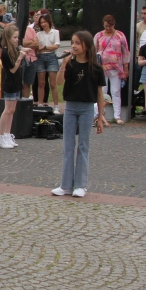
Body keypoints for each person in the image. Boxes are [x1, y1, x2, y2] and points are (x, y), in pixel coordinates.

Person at [52, 31, 105, 198]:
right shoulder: (71, 65)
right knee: (68, 145)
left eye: (77, 43)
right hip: (70, 107)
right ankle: (66, 184)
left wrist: (101, 117)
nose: (73, 46)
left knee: (83, 145)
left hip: (87, 108)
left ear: (86, 46)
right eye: (72, 42)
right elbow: (59, 82)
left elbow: (100, 94)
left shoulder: (96, 68)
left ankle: (81, 185)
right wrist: (64, 65)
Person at [95, 15, 130, 125]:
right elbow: (94, 50)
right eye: (106, 26)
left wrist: (126, 68)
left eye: (110, 26)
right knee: (103, 92)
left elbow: (125, 52)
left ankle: (117, 116)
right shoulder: (99, 35)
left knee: (116, 92)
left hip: (116, 67)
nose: (108, 28)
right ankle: (101, 115)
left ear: (114, 25)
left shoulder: (120, 35)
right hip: (102, 68)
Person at [0, 26, 26, 149]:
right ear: (8, 38)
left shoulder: (13, 49)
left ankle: (8, 134)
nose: (16, 40)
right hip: (9, 83)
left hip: (16, 82)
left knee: (12, 109)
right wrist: (20, 58)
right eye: (14, 37)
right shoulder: (4, 52)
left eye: (17, 37)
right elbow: (12, 69)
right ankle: (0, 136)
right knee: (7, 109)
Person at [34, 13, 61, 113]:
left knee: (53, 83)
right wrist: (40, 48)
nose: (43, 24)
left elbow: (56, 45)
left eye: (45, 22)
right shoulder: (38, 34)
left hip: (51, 57)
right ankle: (40, 103)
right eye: (41, 23)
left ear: (49, 22)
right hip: (40, 57)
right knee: (41, 83)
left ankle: (56, 105)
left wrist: (44, 47)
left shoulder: (55, 32)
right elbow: (37, 47)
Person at [20, 19, 38, 100]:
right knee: (20, 82)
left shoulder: (31, 30)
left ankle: (25, 101)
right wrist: (31, 41)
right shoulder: (17, 29)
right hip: (22, 58)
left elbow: (37, 44)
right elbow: (20, 43)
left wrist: (26, 43)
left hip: (32, 59)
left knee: (28, 83)